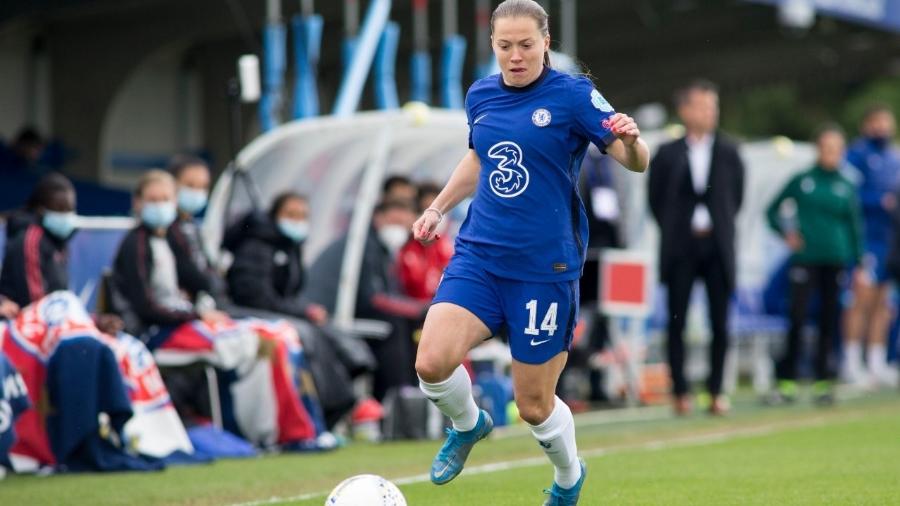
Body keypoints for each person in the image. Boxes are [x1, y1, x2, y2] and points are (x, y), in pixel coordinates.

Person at [411, 1, 648, 503]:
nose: (514, 56)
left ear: (545, 42)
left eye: (525, 45)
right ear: (492, 45)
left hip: (545, 269)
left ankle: (567, 480)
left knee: (535, 405)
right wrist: (437, 208)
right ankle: (469, 423)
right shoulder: (481, 94)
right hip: (480, 255)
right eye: (504, 46)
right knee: (431, 361)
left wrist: (632, 141)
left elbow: (633, 161)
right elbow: (480, 155)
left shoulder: (574, 95)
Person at [647, 79, 745, 416]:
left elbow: (737, 198)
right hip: (681, 247)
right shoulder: (667, 152)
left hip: (717, 246)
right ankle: (680, 391)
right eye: (702, 106)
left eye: (713, 107)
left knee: (720, 322)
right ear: (685, 110)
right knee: (677, 320)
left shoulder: (730, 151)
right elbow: (655, 200)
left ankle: (717, 390)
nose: (709, 113)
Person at [765, 124, 863, 405]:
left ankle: (824, 381)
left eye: (836, 148)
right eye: (826, 147)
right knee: (796, 318)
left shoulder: (846, 183)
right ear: (818, 149)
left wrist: (857, 263)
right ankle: (787, 381)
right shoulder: (803, 179)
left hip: (835, 259)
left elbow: (855, 225)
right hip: (805, 260)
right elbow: (772, 211)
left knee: (829, 320)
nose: (831, 153)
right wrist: (788, 233)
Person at [305, 199, 426, 402]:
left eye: (404, 224)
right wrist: (419, 310)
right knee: (395, 326)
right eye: (393, 221)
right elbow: (373, 298)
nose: (399, 229)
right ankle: (393, 399)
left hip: (351, 312)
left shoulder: (382, 249)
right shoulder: (363, 245)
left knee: (407, 324)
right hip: (329, 314)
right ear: (377, 218)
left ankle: (407, 394)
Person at [842, 104, 900, 388]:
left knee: (884, 304)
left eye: (886, 123)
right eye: (877, 123)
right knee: (860, 301)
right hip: (865, 238)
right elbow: (849, 194)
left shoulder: (894, 157)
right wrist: (879, 201)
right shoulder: (856, 155)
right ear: (866, 125)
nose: (882, 128)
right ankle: (852, 361)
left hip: (890, 241)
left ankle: (877, 360)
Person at [225, 192, 328, 324]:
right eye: (290, 215)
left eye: (302, 216)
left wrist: (307, 309)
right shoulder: (257, 246)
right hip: (252, 318)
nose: (297, 221)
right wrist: (303, 312)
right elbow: (257, 298)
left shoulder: (291, 248)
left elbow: (290, 295)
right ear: (274, 215)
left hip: (277, 316)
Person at [398, 182, 454, 301]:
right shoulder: (407, 248)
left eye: (440, 212)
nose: (434, 218)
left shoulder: (442, 242)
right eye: (428, 210)